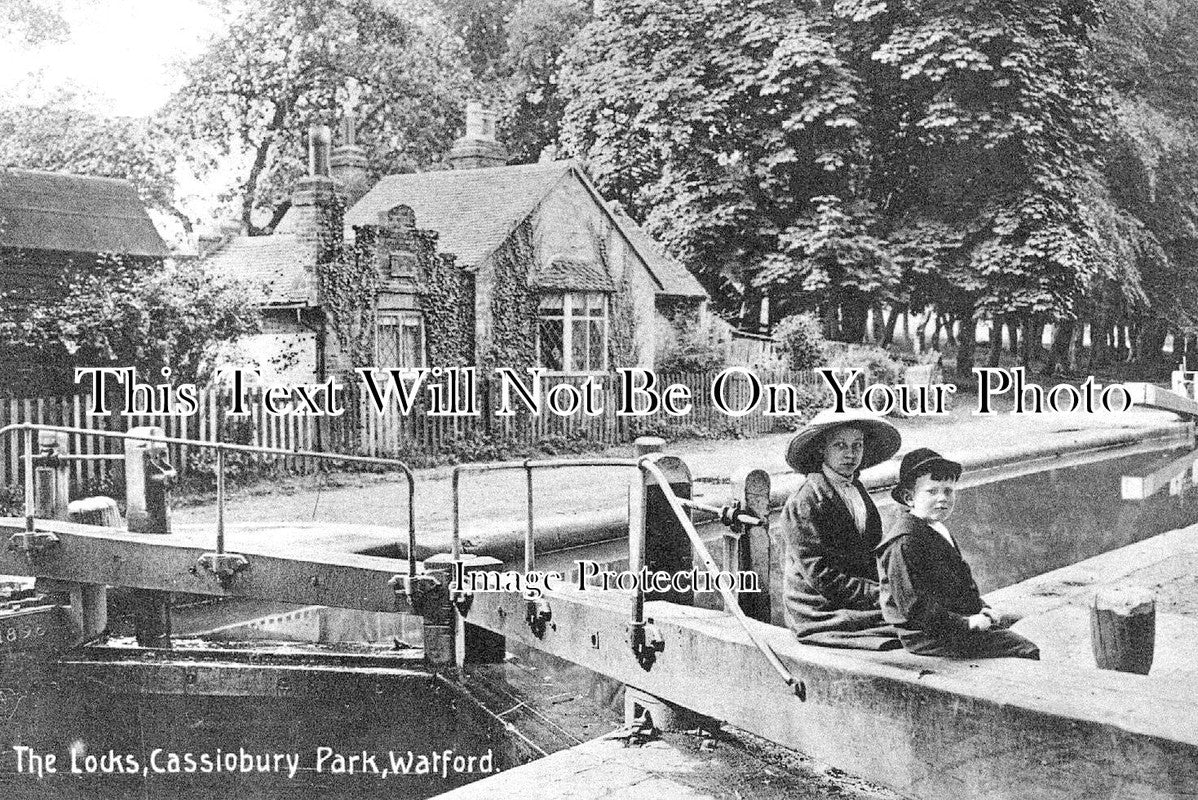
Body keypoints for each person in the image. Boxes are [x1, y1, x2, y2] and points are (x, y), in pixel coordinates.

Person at [876, 448, 1040, 659]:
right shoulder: (904, 542)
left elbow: (958, 585)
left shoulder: (935, 528)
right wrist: (966, 623)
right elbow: (914, 607)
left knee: (1023, 623)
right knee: (1025, 648)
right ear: (909, 498)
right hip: (929, 635)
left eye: (948, 491)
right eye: (932, 491)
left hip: (950, 624)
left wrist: (981, 608)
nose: (942, 498)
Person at [781, 409, 902, 650]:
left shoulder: (856, 489)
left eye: (857, 445)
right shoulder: (805, 500)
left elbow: (869, 553)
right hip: (818, 605)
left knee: (922, 605)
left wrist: (893, 584)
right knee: (910, 621)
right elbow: (818, 572)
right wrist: (877, 594)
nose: (851, 454)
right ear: (821, 450)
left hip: (853, 593)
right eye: (840, 445)